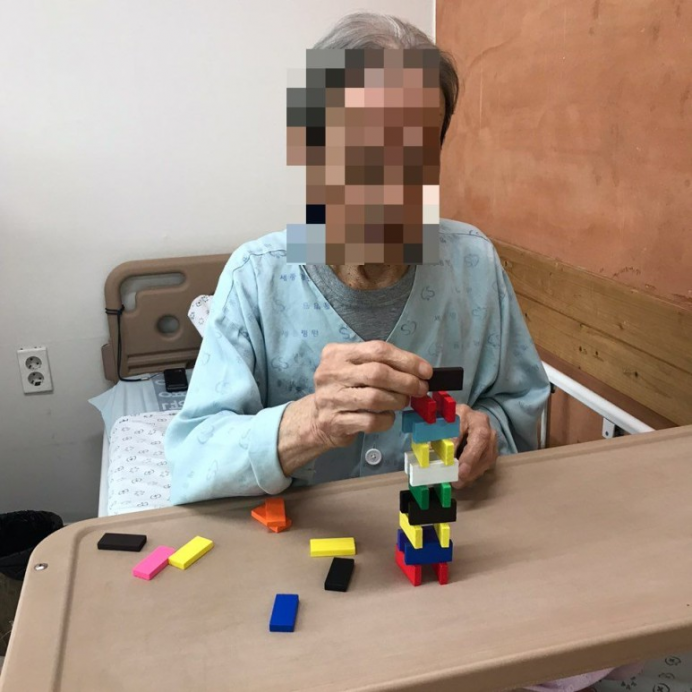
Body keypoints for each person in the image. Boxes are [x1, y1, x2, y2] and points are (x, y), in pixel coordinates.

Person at [164, 12, 550, 502]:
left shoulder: (474, 264)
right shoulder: (255, 278)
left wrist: (485, 432)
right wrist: (309, 423)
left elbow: (520, 406)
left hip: (442, 534)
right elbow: (192, 460)